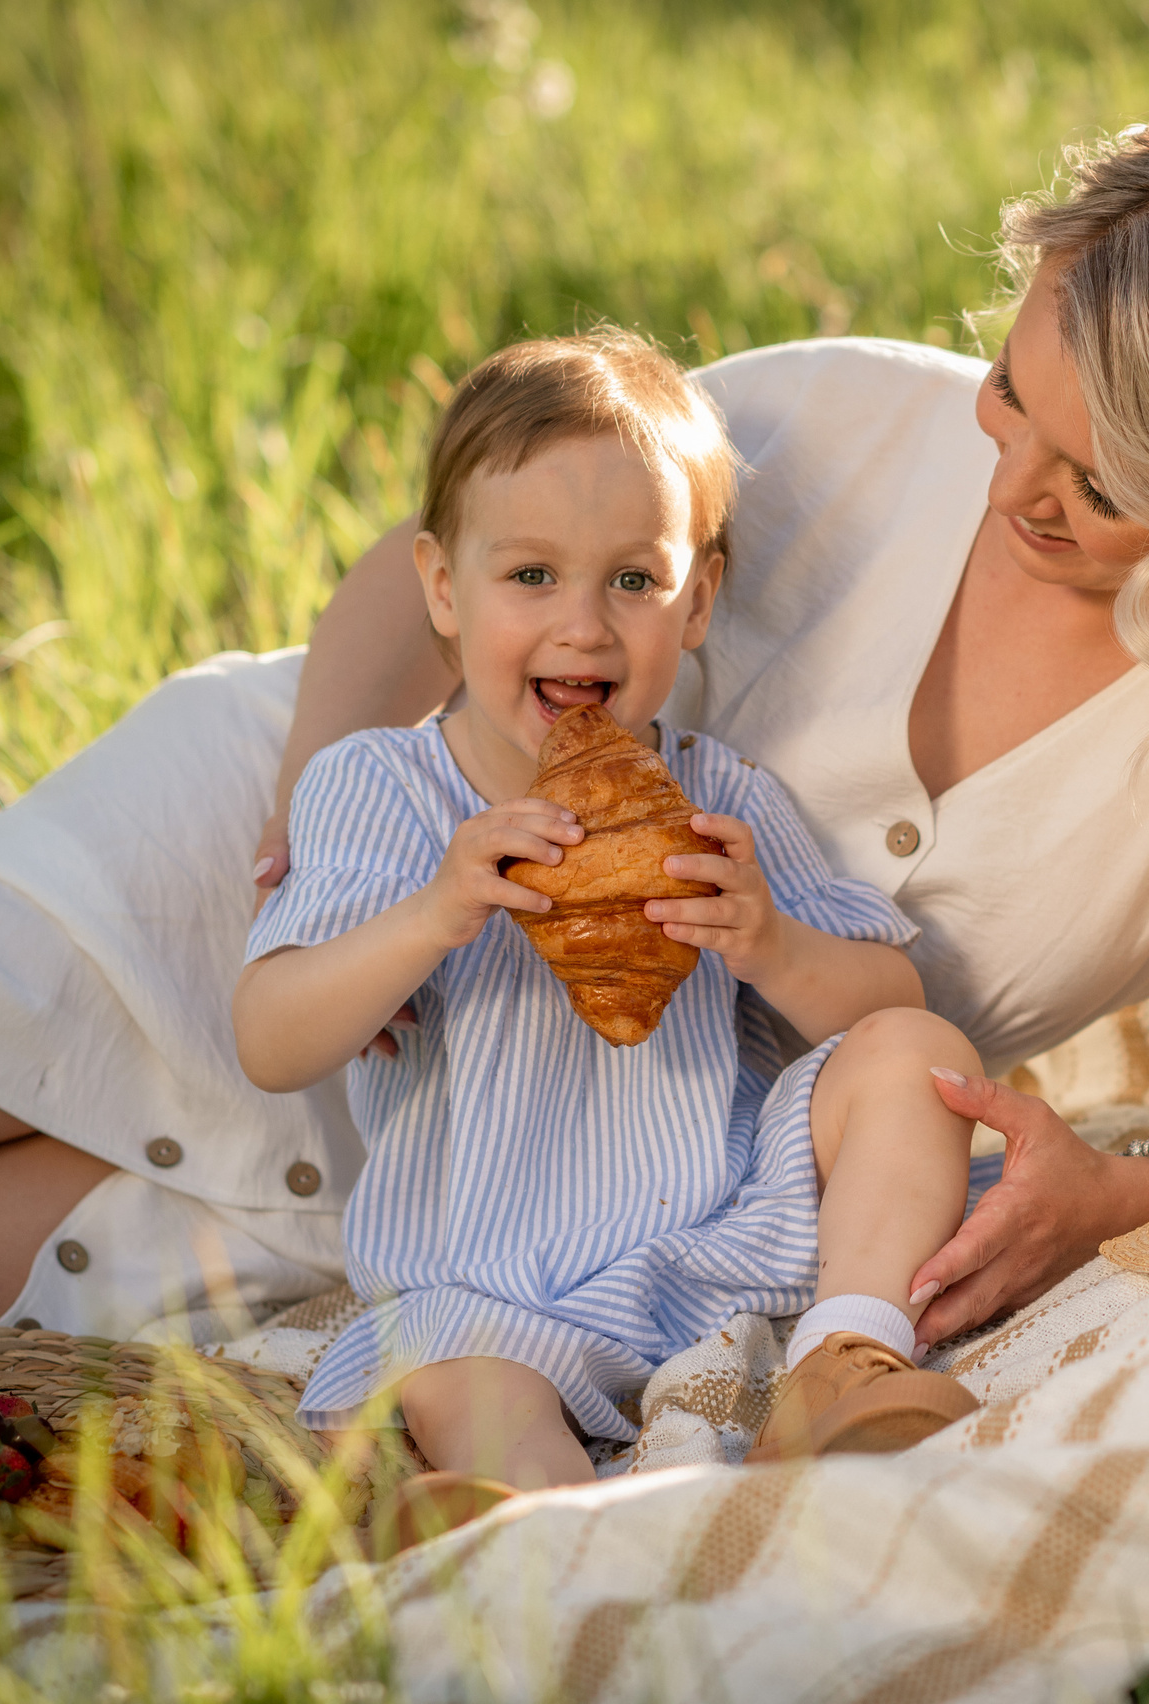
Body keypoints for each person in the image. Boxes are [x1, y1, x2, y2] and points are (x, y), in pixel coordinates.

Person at [0, 118, 1149, 1364]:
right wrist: (328, 818)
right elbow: (437, 577)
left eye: (1097, 481)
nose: (1005, 464)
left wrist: (1130, 1186)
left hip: (512, 1171)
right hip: (296, 880)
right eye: (1013, 387)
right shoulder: (842, 423)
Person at [236, 331, 978, 1537]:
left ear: (698, 601)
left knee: (919, 1054)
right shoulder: (378, 790)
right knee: (459, 1373)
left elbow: (889, 991)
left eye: (633, 581)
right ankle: (541, 1521)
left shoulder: (716, 792)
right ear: (440, 586)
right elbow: (271, 1038)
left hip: (720, 1230)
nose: (583, 628)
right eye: (529, 576)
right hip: (485, 1273)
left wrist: (772, 944)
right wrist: (435, 912)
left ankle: (847, 1353)